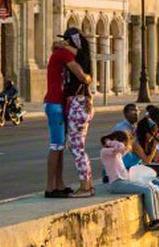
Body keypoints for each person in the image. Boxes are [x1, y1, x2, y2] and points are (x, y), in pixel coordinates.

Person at [100, 131, 159, 231]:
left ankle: (157, 220)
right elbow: (120, 147)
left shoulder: (117, 153)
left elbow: (124, 149)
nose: (126, 145)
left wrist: (129, 138)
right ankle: (154, 221)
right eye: (125, 142)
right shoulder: (105, 152)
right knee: (147, 190)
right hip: (116, 183)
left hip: (125, 180)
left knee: (151, 188)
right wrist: (107, 141)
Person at [44, 28, 91, 199]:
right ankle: (50, 187)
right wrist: (89, 78)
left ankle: (59, 184)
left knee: (60, 147)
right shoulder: (65, 54)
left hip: (58, 104)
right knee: (56, 146)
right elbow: (82, 76)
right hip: (55, 104)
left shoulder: (62, 52)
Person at [64, 30, 95, 198]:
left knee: (77, 148)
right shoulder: (84, 58)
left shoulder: (81, 57)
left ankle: (84, 186)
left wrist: (64, 46)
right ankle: (88, 184)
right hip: (82, 104)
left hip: (78, 104)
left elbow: (79, 54)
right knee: (79, 147)